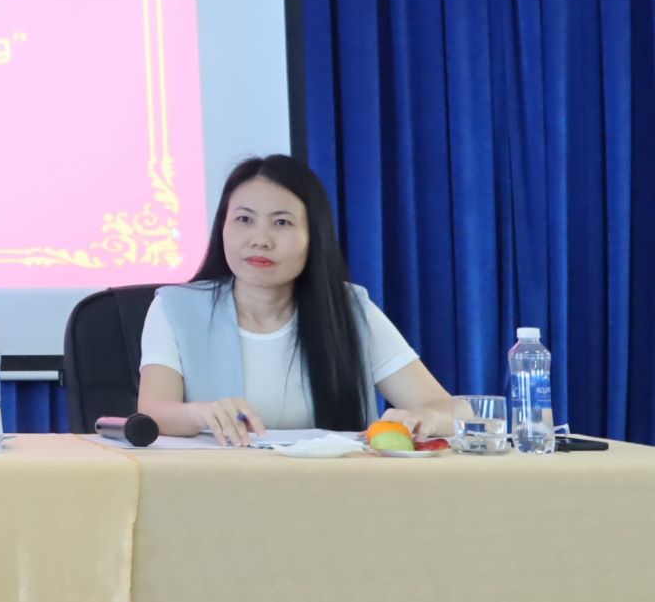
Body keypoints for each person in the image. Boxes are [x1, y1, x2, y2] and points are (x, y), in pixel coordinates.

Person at [136, 153, 454, 445]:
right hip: (214, 483)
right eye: (244, 219)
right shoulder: (175, 309)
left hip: (332, 484)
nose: (260, 240)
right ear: (222, 227)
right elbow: (152, 412)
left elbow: (450, 408)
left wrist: (425, 418)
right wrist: (199, 414)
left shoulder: (349, 309)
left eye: (281, 223)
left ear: (313, 237)